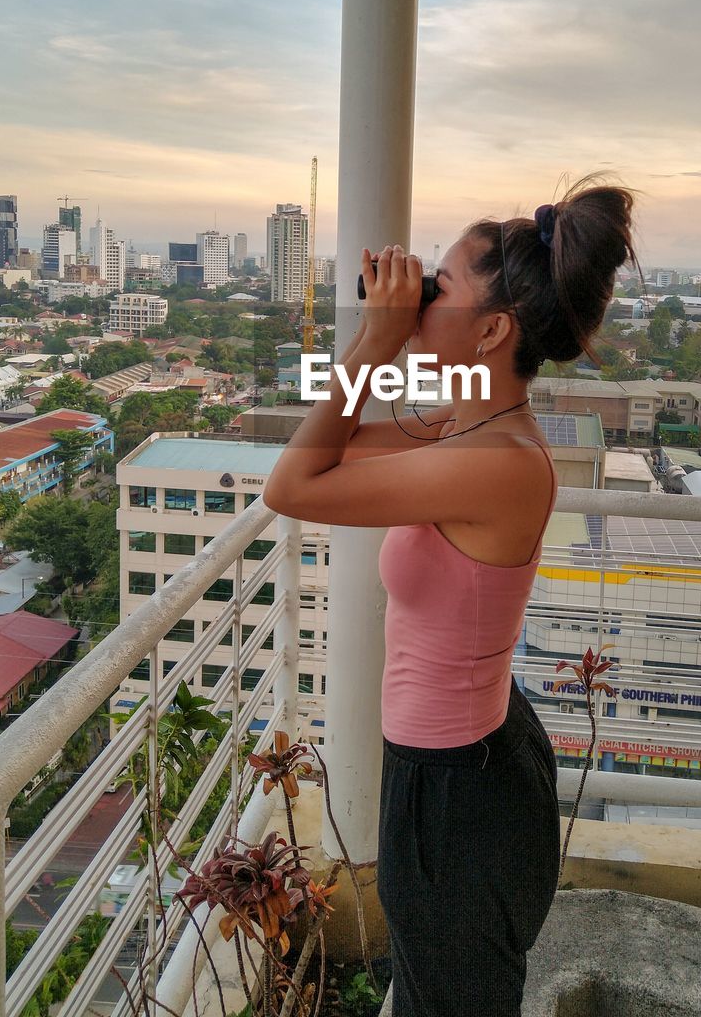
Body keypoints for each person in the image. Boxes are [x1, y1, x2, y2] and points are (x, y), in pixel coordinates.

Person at [263, 175, 639, 1016]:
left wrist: (372, 342)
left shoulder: (497, 461)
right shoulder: (464, 425)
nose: (419, 300)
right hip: (460, 766)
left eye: (441, 287)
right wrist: (385, 339)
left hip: (459, 798)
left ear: (495, 329)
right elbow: (342, 439)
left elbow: (293, 484)